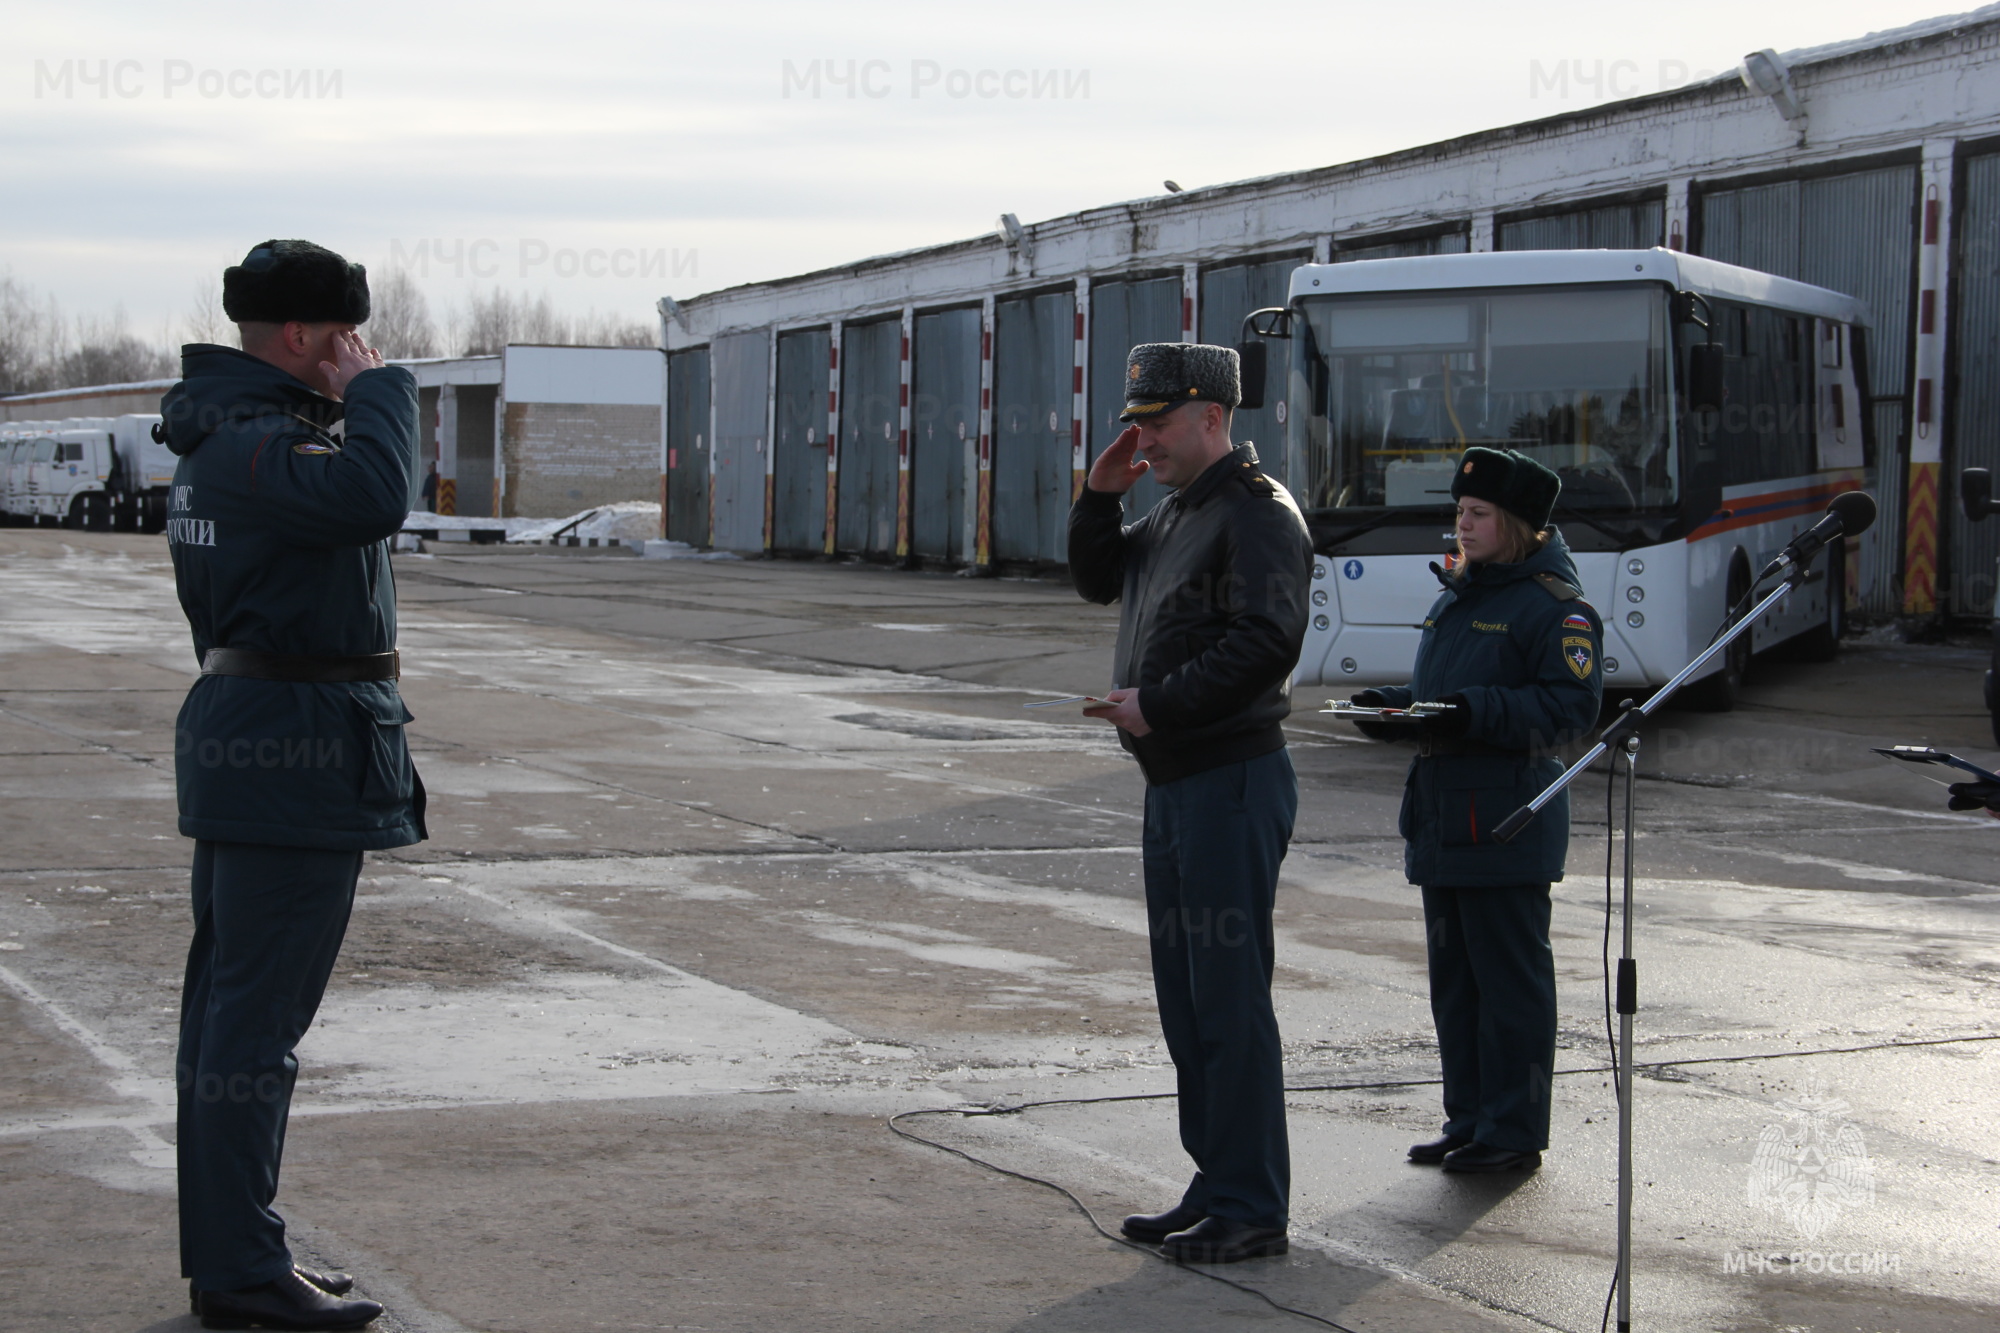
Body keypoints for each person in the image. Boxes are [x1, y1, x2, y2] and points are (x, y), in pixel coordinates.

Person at [162, 239, 425, 1330]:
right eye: (350, 335)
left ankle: (236, 1257)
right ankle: (238, 1269)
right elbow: (376, 497)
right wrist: (385, 394)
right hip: (288, 756)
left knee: (234, 1022)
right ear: (307, 337)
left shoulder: (242, 437)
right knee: (249, 1030)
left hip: (273, 744)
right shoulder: (252, 442)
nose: (360, 351)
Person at [1068, 342, 1313, 1263]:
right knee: (1188, 998)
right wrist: (1101, 497)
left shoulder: (1258, 516)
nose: (1144, 438)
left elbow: (1266, 639)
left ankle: (1252, 1200)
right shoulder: (1177, 511)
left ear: (1213, 416)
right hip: (1175, 784)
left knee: (1229, 997)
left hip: (1229, 780)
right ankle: (1217, 1180)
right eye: (1136, 422)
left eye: (1158, 423)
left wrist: (1159, 704)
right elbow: (1101, 580)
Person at [1352, 446, 1603, 1174]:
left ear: (1518, 524)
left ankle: (1514, 1129)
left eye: (1479, 514)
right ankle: (1468, 1118)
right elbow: (1448, 693)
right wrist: (1391, 706)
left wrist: (1467, 712)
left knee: (1510, 989)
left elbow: (1568, 710)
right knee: (1456, 986)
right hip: (1442, 820)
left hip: (1504, 823)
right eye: (1460, 512)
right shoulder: (1461, 595)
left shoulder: (1554, 607)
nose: (1463, 524)